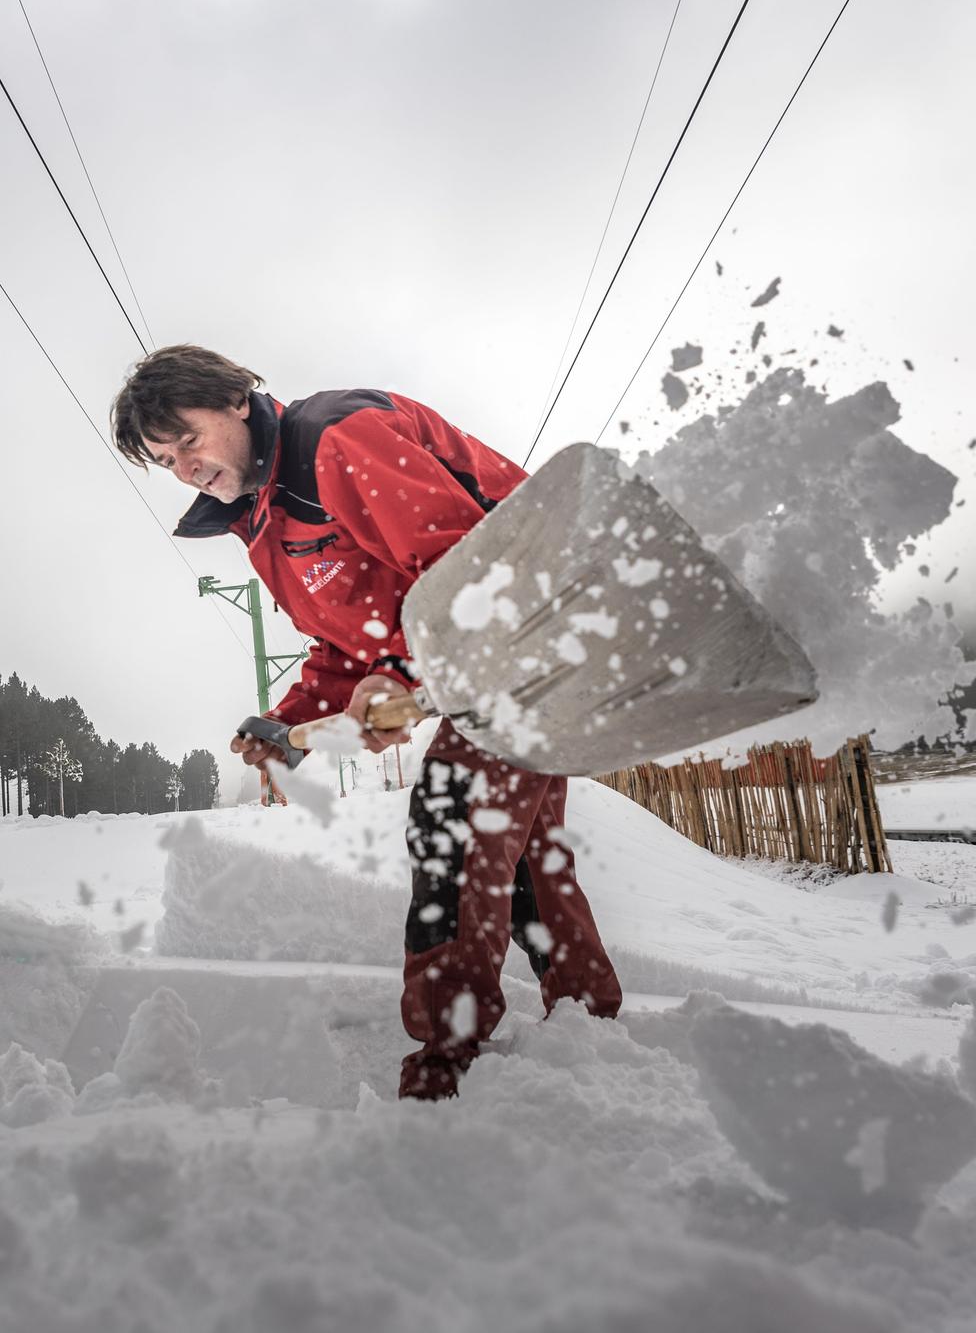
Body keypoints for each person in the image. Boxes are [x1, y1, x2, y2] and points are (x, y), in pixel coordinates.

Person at [110, 345, 623, 1100]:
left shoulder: (337, 442)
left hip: (536, 623)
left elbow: (466, 569)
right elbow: (352, 643)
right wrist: (287, 726)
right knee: (522, 857)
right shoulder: (264, 521)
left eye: (187, 439)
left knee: (452, 806)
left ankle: (449, 1057)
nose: (183, 467)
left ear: (237, 401)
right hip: (495, 667)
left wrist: (400, 676)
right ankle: (590, 1022)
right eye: (164, 460)